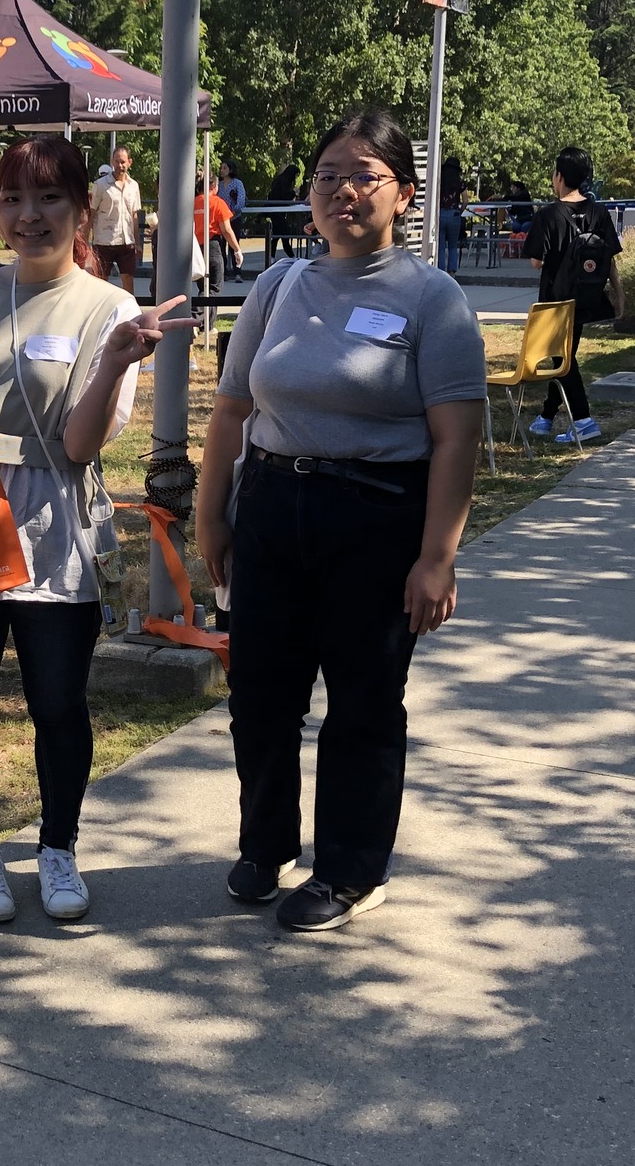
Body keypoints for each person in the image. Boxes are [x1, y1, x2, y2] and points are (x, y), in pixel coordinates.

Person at [194, 107, 485, 935]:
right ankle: (265, 845)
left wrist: (438, 557)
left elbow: (456, 439)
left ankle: (352, 870)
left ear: (404, 194)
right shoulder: (279, 286)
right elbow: (231, 411)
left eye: (364, 176)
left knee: (362, 701)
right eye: (327, 176)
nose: (341, 192)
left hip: (376, 516)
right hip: (272, 506)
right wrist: (212, 515)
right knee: (260, 693)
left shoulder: (433, 299)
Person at [0, 135, 190, 924]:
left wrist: (116, 361)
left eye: (48, 198)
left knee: (59, 702)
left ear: (82, 210)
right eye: (13, 199)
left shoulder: (109, 309)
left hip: (54, 527)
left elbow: (79, 446)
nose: (29, 216)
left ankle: (58, 846)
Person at [523, 146, 622, 443]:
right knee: (564, 356)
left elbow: (536, 261)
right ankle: (546, 417)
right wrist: (619, 294)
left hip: (555, 300)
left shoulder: (548, 214)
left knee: (562, 357)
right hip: (587, 298)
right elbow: (609, 258)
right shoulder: (598, 212)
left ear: (559, 176)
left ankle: (583, 420)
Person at [89, 144, 143, 295]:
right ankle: (100, 308)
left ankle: (130, 309)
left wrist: (137, 243)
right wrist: (86, 241)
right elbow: (91, 212)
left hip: (126, 242)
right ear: (112, 162)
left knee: (128, 281)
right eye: (117, 161)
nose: (120, 165)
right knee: (101, 281)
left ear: (129, 162)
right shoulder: (100, 185)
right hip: (104, 241)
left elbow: (134, 215)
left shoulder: (134, 186)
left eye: (123, 162)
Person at [195, 170, 240, 295]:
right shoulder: (218, 203)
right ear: (213, 186)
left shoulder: (193, 203)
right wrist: (237, 249)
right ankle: (201, 308)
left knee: (203, 288)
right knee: (214, 288)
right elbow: (226, 230)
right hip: (213, 246)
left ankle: (202, 307)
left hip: (197, 248)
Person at [265, 160, 301, 262]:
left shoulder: (278, 180)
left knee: (276, 235)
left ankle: (272, 257)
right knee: (284, 233)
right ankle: (292, 256)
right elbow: (284, 196)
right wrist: (293, 193)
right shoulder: (285, 182)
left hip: (274, 210)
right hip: (278, 211)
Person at [437, 157, 466, 276]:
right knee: (453, 245)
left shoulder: (440, 181)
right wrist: (459, 211)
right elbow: (465, 201)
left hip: (440, 214)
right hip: (454, 214)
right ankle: (452, 271)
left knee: (440, 246)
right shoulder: (460, 182)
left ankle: (440, 271)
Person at [219, 158, 248, 278]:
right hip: (221, 219)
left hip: (234, 217)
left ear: (230, 170)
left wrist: (232, 212)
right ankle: (223, 272)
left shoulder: (237, 183)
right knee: (221, 246)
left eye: (225, 168)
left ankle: (237, 272)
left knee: (234, 244)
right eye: (221, 168)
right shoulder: (219, 185)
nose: (222, 170)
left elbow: (241, 200)